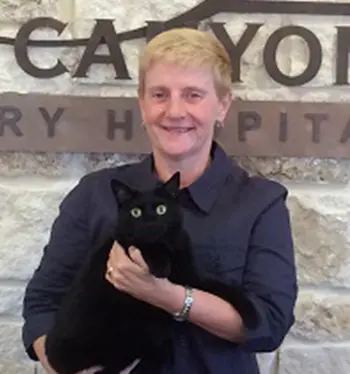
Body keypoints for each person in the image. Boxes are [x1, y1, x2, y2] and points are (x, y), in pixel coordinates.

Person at [21, 27, 298, 374]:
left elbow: (269, 323)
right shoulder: (94, 194)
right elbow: (43, 302)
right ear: (142, 103)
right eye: (160, 94)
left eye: (193, 95)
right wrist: (60, 363)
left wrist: (168, 297)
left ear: (222, 106)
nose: (175, 111)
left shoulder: (261, 203)